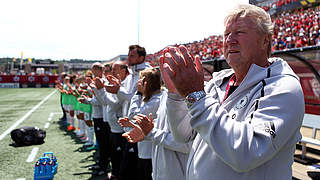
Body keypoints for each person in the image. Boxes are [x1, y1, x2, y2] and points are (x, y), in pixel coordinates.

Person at [160, 4, 305, 180]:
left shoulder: (283, 87)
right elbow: (183, 135)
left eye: (240, 32)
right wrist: (176, 95)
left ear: (265, 40)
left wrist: (196, 97)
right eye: (227, 34)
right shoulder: (217, 82)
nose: (230, 40)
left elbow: (246, 153)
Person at [120, 64, 191, 180]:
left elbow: (186, 144)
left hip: (173, 171)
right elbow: (157, 126)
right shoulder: (164, 97)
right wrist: (143, 131)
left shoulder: (158, 99)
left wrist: (150, 132)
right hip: (158, 164)